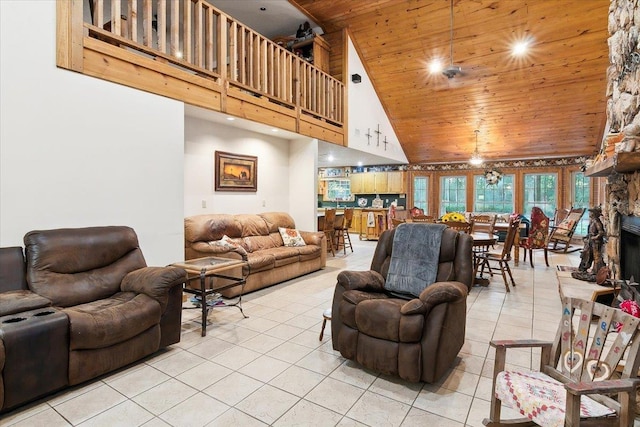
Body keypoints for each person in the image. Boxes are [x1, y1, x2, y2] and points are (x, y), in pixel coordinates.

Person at [573, 206, 606, 281]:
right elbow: (590, 232)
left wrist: (594, 238)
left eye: (591, 212)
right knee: (586, 254)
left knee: (596, 257)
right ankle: (583, 268)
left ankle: (596, 272)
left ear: (594, 213)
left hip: (596, 243)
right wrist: (586, 237)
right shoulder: (592, 221)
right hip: (590, 241)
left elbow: (601, 233)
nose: (589, 213)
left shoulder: (597, 222)